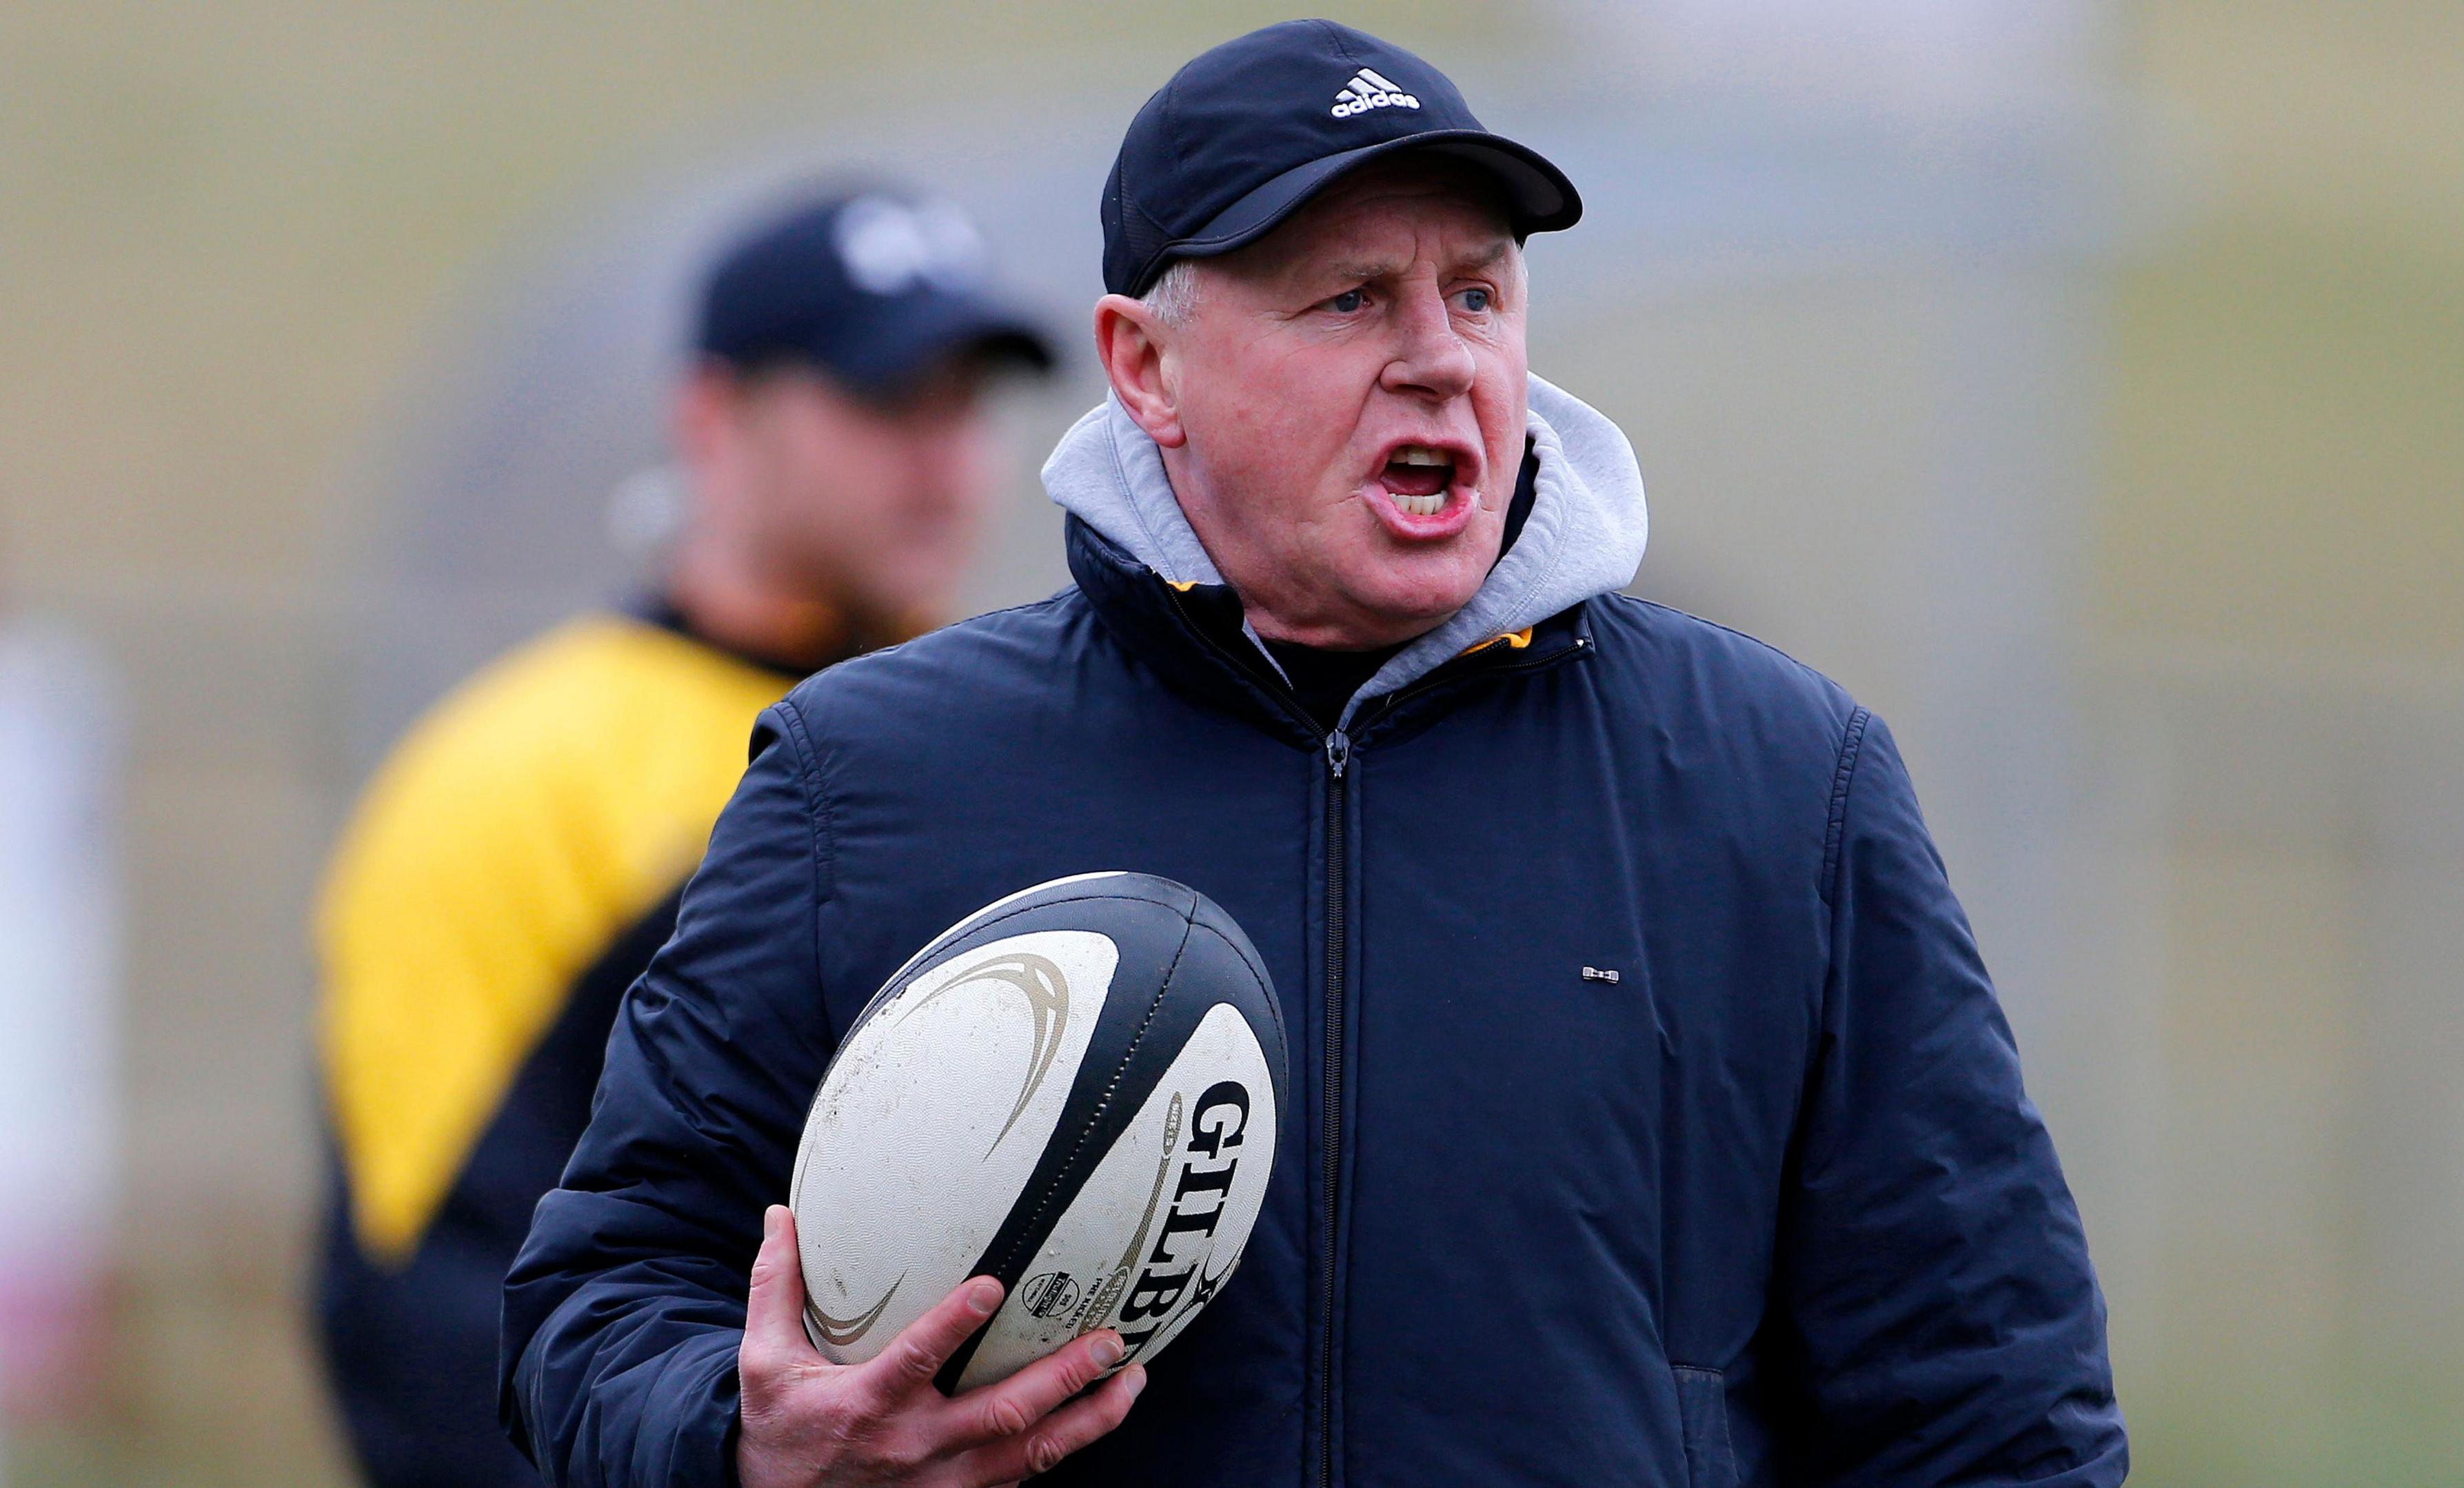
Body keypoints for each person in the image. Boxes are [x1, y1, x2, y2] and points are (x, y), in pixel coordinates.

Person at [504, 21, 2130, 1488]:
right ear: (1147, 367)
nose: (1440, 357)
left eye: (1477, 293)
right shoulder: (871, 778)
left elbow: (1989, 1403)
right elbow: (602, 1297)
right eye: (1349, 299)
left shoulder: (1783, 785)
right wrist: (749, 1439)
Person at [313, 183, 1052, 1488]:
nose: (945, 459)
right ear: (713, 419)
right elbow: (424, 1290)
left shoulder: (989, 751)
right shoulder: (516, 773)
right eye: (886, 404)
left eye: (965, 406)